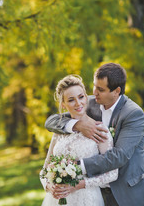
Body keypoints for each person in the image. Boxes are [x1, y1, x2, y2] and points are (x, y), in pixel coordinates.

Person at [45, 63, 144, 206]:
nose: (94, 92)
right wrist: (77, 125)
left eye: (100, 89)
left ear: (116, 91)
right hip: (95, 191)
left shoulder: (133, 114)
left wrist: (75, 167)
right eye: (94, 86)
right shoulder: (89, 103)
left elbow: (119, 156)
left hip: (126, 190)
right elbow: (52, 121)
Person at [40, 75, 118, 206]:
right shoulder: (59, 132)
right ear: (63, 105)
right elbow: (44, 170)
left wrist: (79, 185)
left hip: (87, 198)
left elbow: (112, 174)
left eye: (81, 97)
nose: (78, 103)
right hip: (57, 200)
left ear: (86, 98)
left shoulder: (99, 130)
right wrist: (49, 186)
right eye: (71, 100)